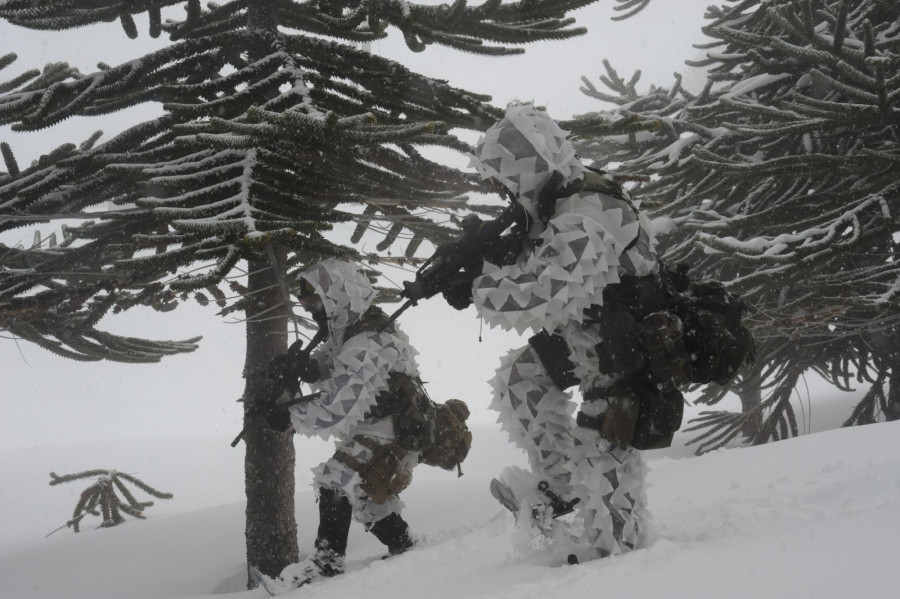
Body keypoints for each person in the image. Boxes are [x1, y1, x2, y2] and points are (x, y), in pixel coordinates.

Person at [439, 102, 680, 564]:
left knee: (602, 437)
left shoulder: (587, 206)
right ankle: (562, 486)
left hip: (630, 346)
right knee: (521, 380)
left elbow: (550, 288)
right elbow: (546, 265)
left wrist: (477, 286)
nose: (502, 187)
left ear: (533, 164)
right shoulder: (558, 202)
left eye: (507, 175)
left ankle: (623, 556)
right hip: (593, 331)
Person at [257, 259, 471, 593]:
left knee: (336, 478)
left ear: (337, 296)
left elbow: (336, 409)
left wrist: (286, 415)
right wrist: (308, 368)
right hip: (389, 425)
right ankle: (406, 548)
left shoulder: (368, 339)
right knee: (370, 496)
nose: (310, 308)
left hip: (394, 430)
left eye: (313, 300)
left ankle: (326, 566)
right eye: (305, 303)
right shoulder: (357, 330)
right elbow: (337, 363)